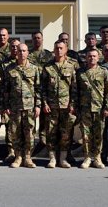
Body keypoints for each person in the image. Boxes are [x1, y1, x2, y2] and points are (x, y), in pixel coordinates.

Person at [1, 43, 41, 168]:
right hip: (14, 107)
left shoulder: (34, 69)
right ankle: (18, 157)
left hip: (30, 107)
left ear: (28, 52)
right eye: (19, 51)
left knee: (29, 133)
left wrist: (38, 105)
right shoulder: (9, 69)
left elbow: (38, 88)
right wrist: (5, 106)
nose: (22, 53)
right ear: (16, 53)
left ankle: (28, 157)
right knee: (15, 133)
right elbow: (5, 89)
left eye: (24, 51)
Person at [41, 40, 78, 169]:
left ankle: (63, 159)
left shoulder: (72, 66)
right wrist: (44, 103)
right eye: (56, 48)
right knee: (50, 133)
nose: (59, 50)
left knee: (65, 134)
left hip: (66, 106)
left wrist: (73, 104)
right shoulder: (47, 67)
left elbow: (74, 87)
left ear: (66, 49)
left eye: (61, 48)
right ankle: (52, 159)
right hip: (51, 106)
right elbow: (43, 88)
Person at [76, 48, 108, 169]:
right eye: (89, 56)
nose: (92, 58)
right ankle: (87, 157)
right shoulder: (80, 72)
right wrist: (76, 107)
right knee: (85, 135)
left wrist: (107, 107)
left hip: (99, 108)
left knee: (99, 135)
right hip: (85, 108)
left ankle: (97, 158)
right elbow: (76, 91)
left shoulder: (103, 72)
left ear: (98, 58)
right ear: (86, 58)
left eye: (94, 56)